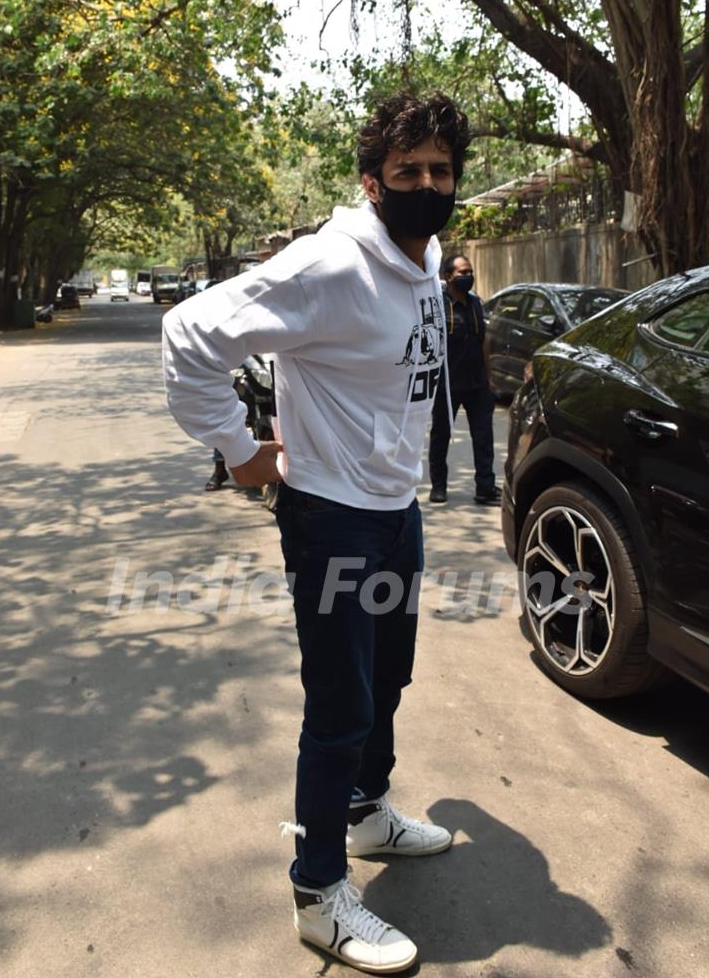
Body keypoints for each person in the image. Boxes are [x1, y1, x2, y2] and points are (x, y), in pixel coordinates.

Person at [161, 91, 470, 974]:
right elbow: (190, 334)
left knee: (392, 673)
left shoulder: (426, 252)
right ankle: (318, 891)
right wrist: (238, 450)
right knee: (340, 707)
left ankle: (367, 812)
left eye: (440, 171)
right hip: (330, 513)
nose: (425, 185)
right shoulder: (329, 266)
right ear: (372, 182)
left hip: (394, 507)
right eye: (407, 171)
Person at [428, 254, 501, 506]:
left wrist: (489, 378)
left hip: (477, 384)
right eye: (462, 273)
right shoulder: (438, 306)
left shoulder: (475, 303)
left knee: (484, 437)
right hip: (447, 386)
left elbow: (485, 342)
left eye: (470, 271)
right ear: (448, 277)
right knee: (441, 435)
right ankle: (438, 485)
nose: (468, 276)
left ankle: (485, 488)